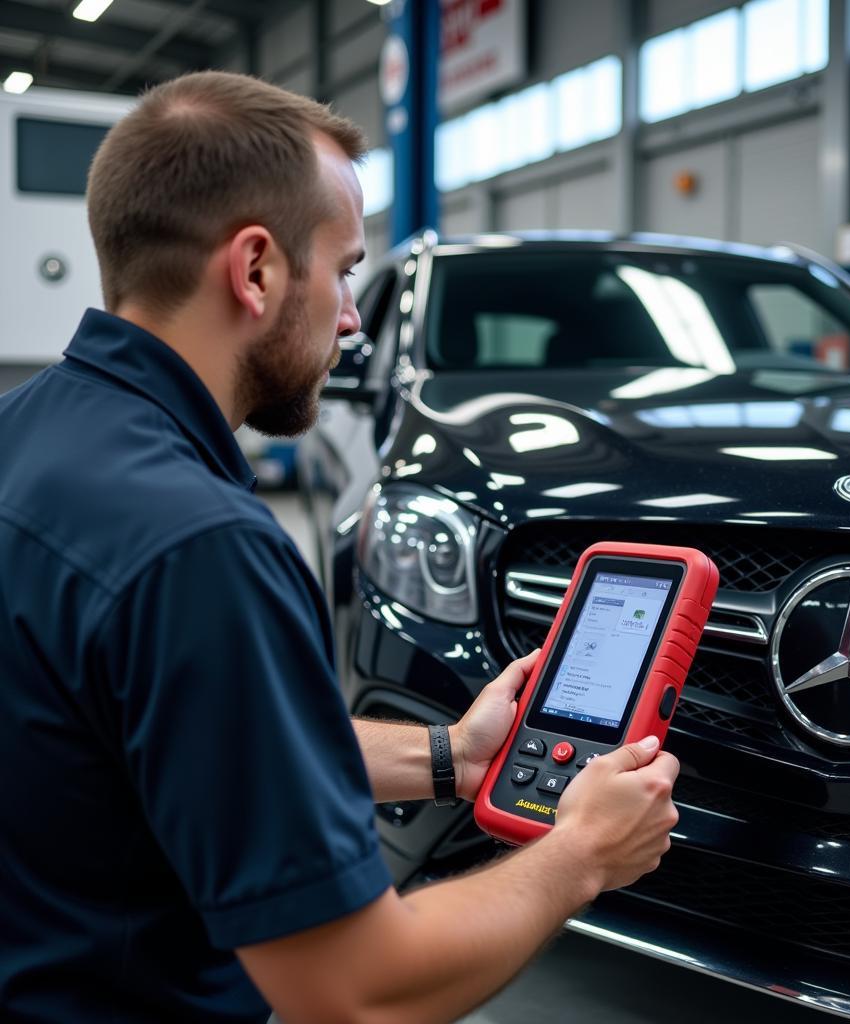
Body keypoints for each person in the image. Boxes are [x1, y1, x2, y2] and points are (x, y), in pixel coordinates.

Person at [0, 71, 680, 1024]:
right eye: (346, 269)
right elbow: (352, 989)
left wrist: (453, 757)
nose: (354, 318)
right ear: (257, 270)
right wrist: (579, 855)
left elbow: (185, 742)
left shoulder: (25, 436)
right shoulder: (202, 548)